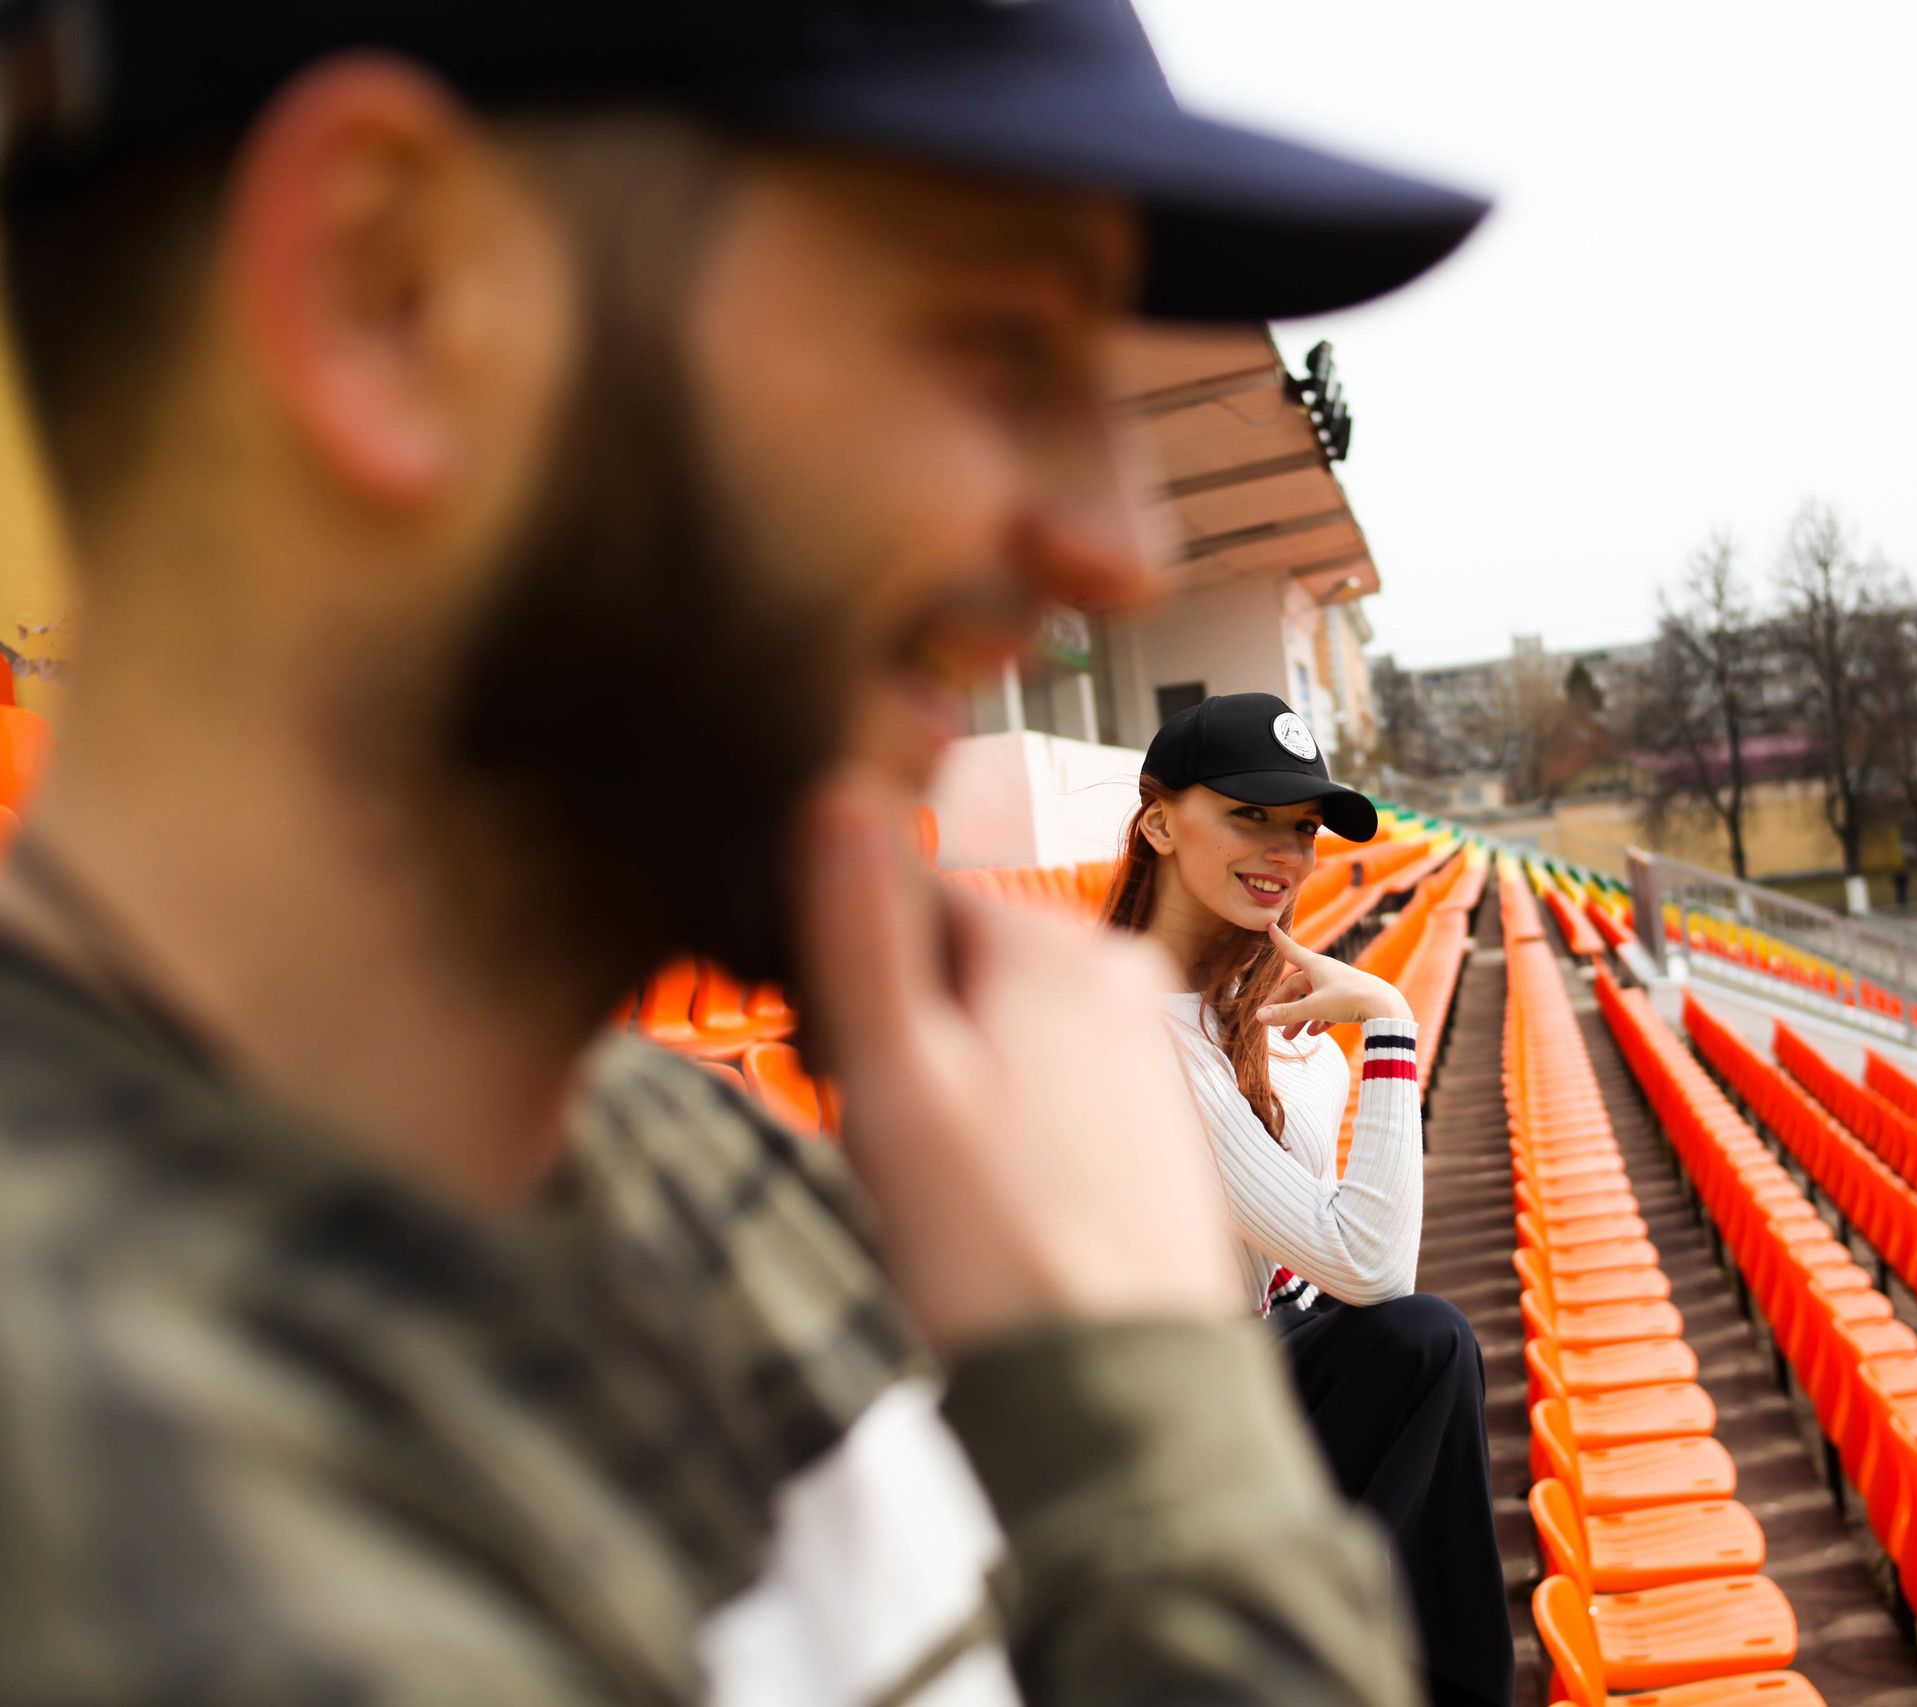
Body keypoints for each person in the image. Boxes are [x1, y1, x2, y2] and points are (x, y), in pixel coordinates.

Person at [0, 1, 1488, 1703]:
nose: (1111, 547)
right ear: (390, 297)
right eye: (993, 345)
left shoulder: (688, 1163)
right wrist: (1160, 1441)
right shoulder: (111, 1503)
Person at [1104, 693, 1513, 1707]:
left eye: (1301, 828)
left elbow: (1344, 1265)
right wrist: (1388, 1022)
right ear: (1159, 824)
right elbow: (1372, 1264)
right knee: (1423, 1339)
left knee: (1423, 1346)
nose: (1285, 852)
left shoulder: (1255, 1013)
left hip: (1256, 1349)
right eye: (1249, 815)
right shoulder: (1123, 1024)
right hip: (1160, 1430)